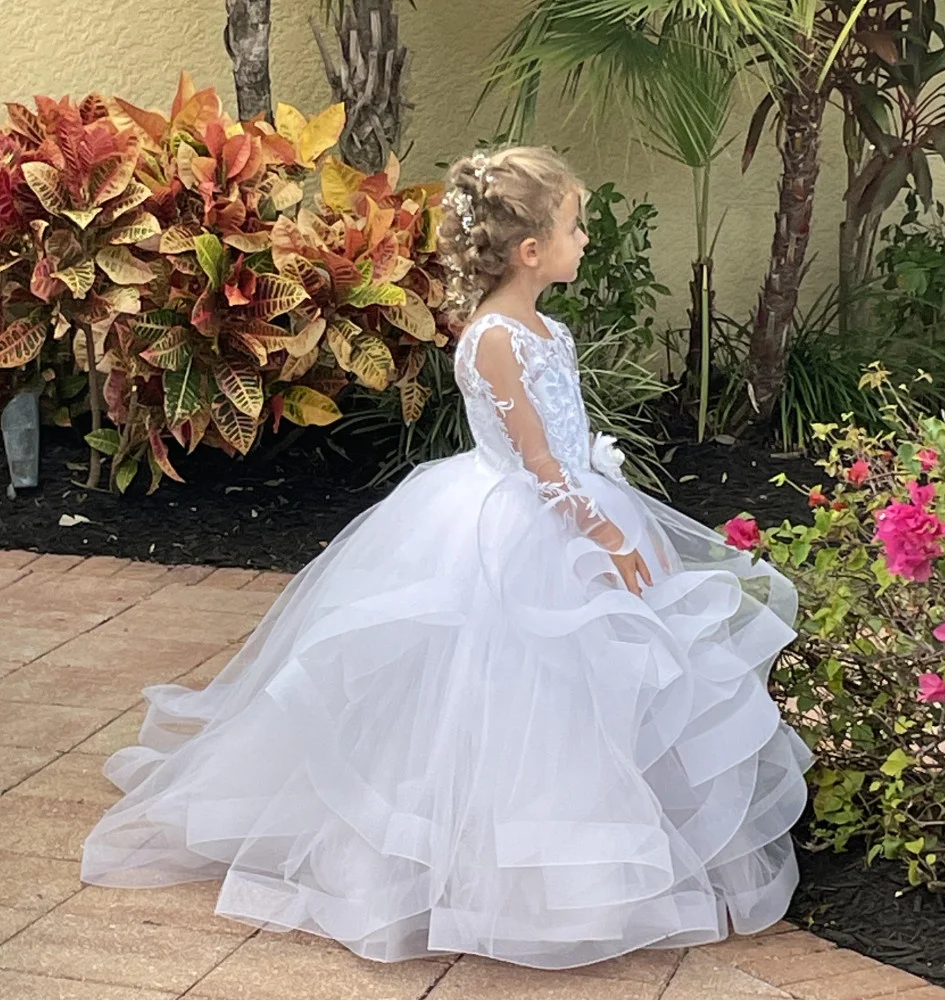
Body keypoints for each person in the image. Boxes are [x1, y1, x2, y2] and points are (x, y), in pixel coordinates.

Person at [80, 146, 812, 970]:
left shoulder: (549, 330)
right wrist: (601, 531)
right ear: (529, 250)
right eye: (574, 228)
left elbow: (567, 442)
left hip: (577, 505)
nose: (583, 241)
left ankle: (597, 841)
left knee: (603, 683)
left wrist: (613, 516)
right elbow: (537, 460)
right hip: (522, 523)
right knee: (505, 692)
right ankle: (490, 871)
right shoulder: (496, 338)